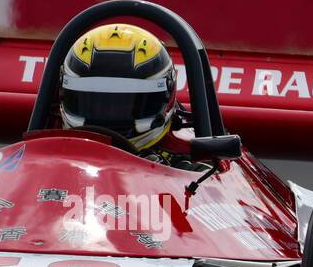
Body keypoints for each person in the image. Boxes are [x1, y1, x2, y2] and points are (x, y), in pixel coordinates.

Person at [59, 23, 206, 170]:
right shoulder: (44, 149)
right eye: (99, 104)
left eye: (121, 105)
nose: (110, 112)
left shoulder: (190, 166)